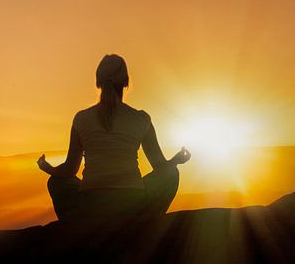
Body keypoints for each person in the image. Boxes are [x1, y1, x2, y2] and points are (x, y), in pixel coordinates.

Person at [37, 54, 191, 221]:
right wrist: (175, 161)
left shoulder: (81, 119)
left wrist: (47, 168)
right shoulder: (141, 119)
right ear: (126, 82)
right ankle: (146, 222)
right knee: (172, 174)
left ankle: (78, 225)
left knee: (56, 182)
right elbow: (160, 167)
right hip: (132, 202)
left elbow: (69, 170)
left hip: (91, 204)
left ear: (98, 83)